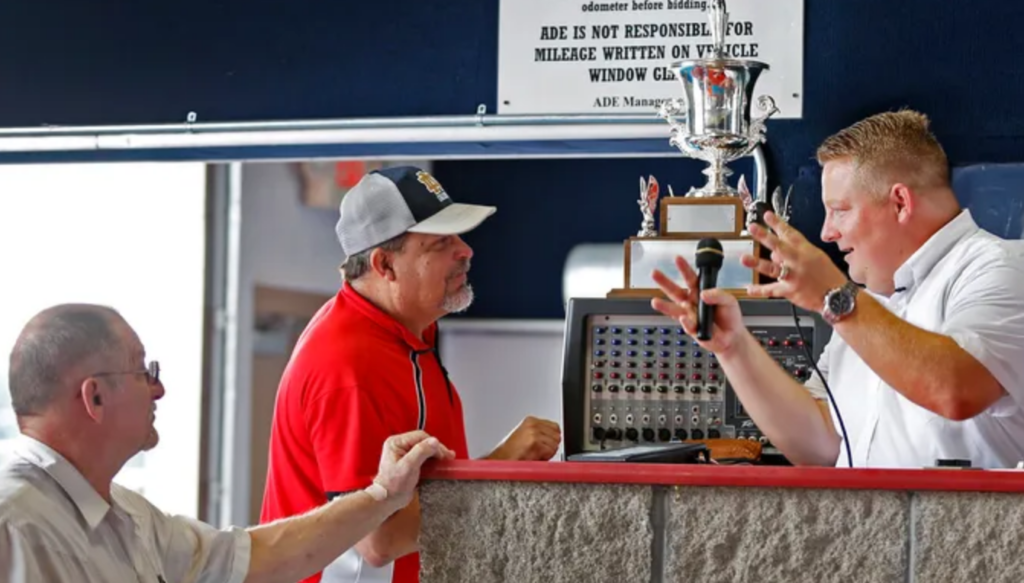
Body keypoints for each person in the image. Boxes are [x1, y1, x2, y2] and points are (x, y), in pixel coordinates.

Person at [651, 109, 1024, 469]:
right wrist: (734, 348)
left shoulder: (1001, 268)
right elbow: (818, 446)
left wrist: (833, 295)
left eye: (840, 210)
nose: (827, 232)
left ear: (900, 203)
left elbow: (956, 390)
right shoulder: (867, 301)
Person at [0, 303, 455, 583]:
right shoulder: (13, 524)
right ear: (95, 396)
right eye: (143, 371)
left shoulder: (128, 517)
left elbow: (258, 557)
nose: (158, 389)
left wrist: (382, 496)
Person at [260, 165, 562, 583]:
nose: (466, 250)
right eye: (441, 242)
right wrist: (502, 463)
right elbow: (378, 540)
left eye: (458, 236)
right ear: (385, 264)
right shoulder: (349, 365)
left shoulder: (405, 332)